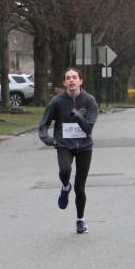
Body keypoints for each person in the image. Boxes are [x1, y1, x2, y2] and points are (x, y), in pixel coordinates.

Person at [38, 68, 99, 235]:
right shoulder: (57, 102)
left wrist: (78, 116)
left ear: (81, 81)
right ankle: (65, 187)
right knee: (65, 170)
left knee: (80, 187)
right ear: (64, 83)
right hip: (64, 144)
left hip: (84, 147)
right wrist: (50, 140)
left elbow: (88, 128)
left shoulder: (89, 101)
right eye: (68, 78)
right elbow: (43, 125)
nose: (71, 80)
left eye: (74, 77)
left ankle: (80, 220)